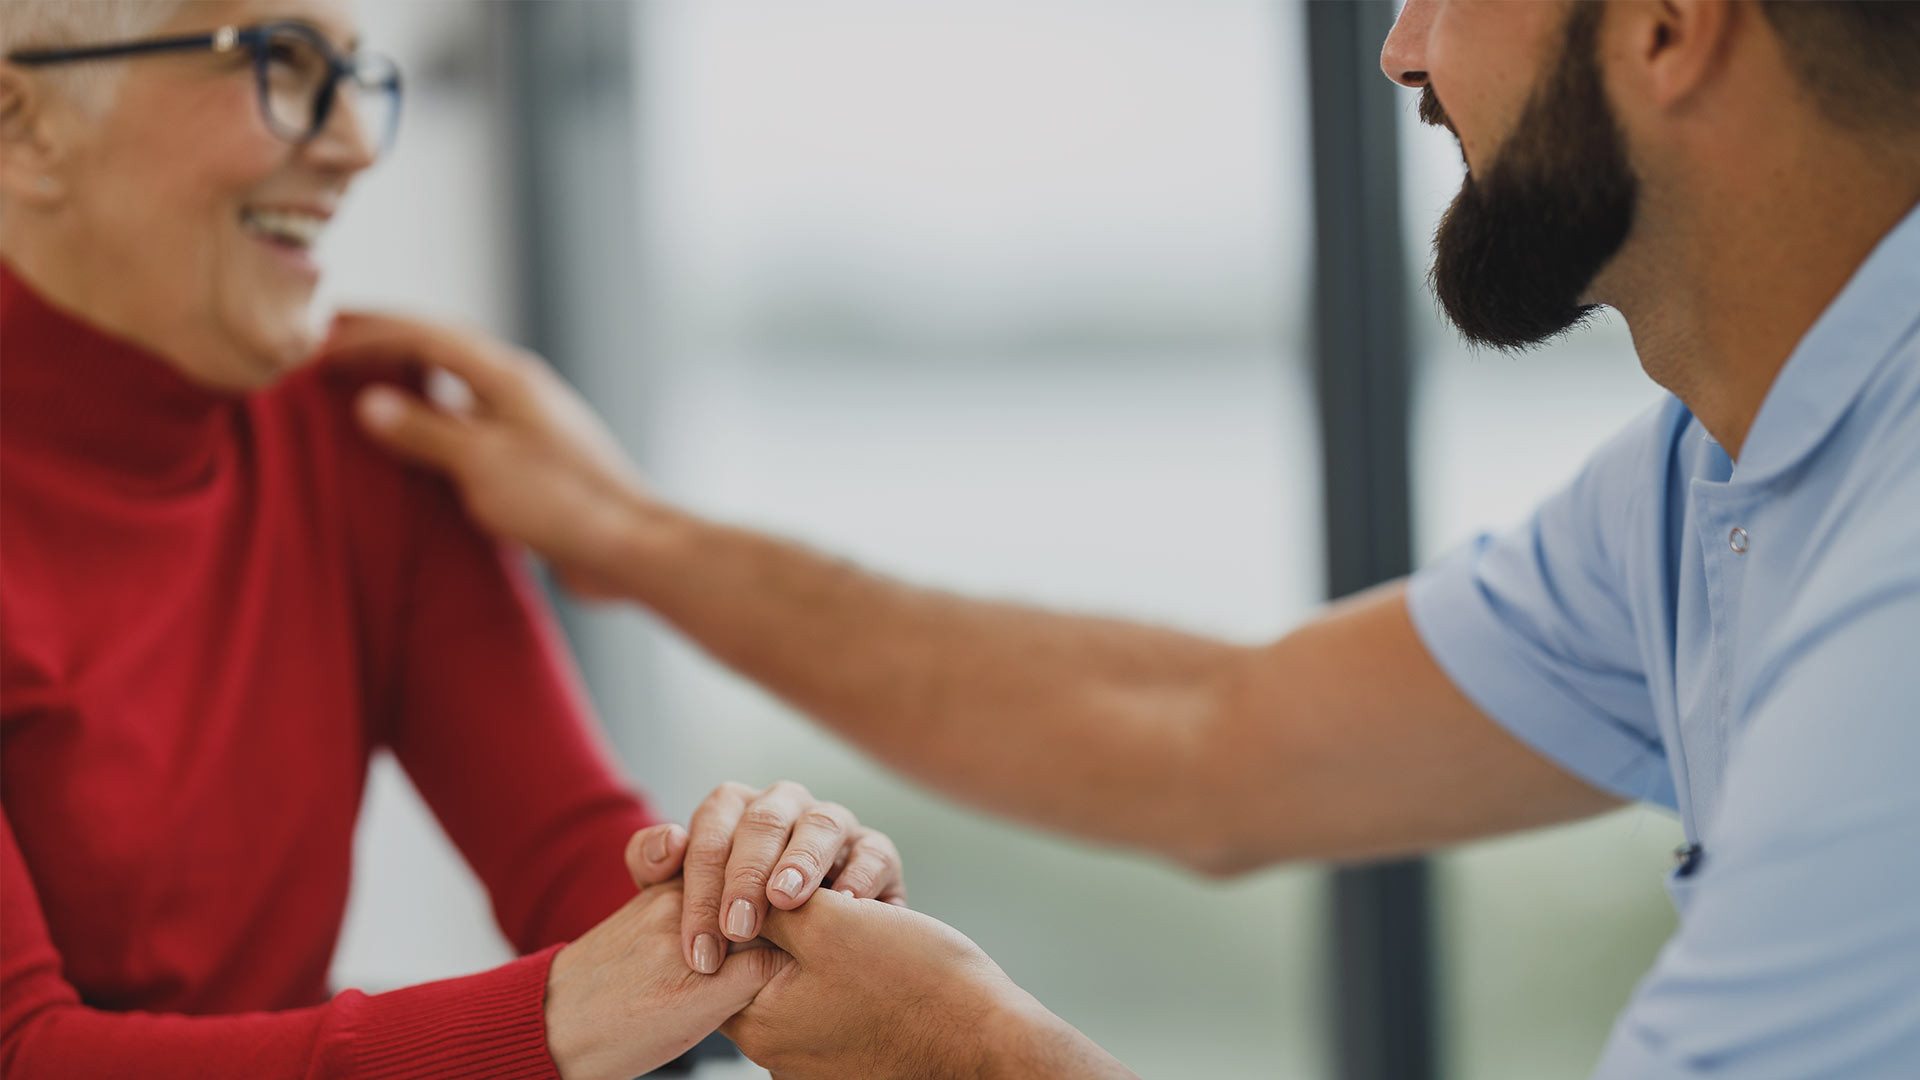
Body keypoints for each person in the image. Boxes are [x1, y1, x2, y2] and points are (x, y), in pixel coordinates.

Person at [332, 0, 1920, 1076]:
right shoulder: (1714, 475)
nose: (1399, 47)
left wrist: (980, 1058)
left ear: (1668, 22)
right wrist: (626, 535)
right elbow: (1205, 738)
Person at [0, 2, 907, 1077]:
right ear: (25, 126)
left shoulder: (365, 433)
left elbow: (574, 854)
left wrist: (762, 882)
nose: (351, 146)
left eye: (354, 73)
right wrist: (565, 1013)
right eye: (281, 63)